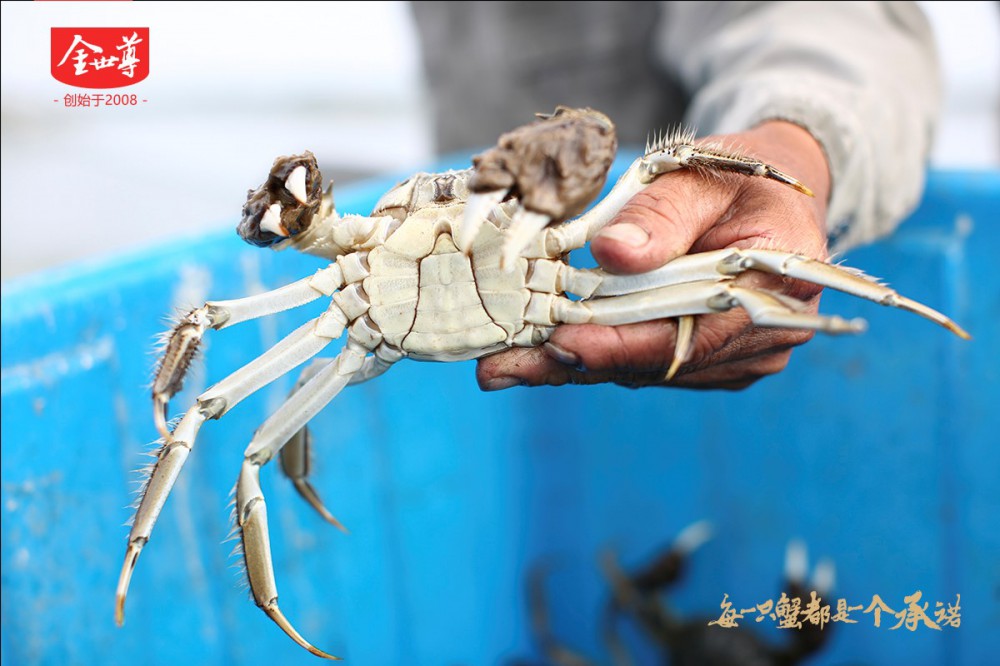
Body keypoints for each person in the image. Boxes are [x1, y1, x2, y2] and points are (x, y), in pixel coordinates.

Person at [409, 1, 941, 390]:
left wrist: (793, 144)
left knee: (741, 282)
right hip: (477, 222)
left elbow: (832, 24)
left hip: (634, 272)